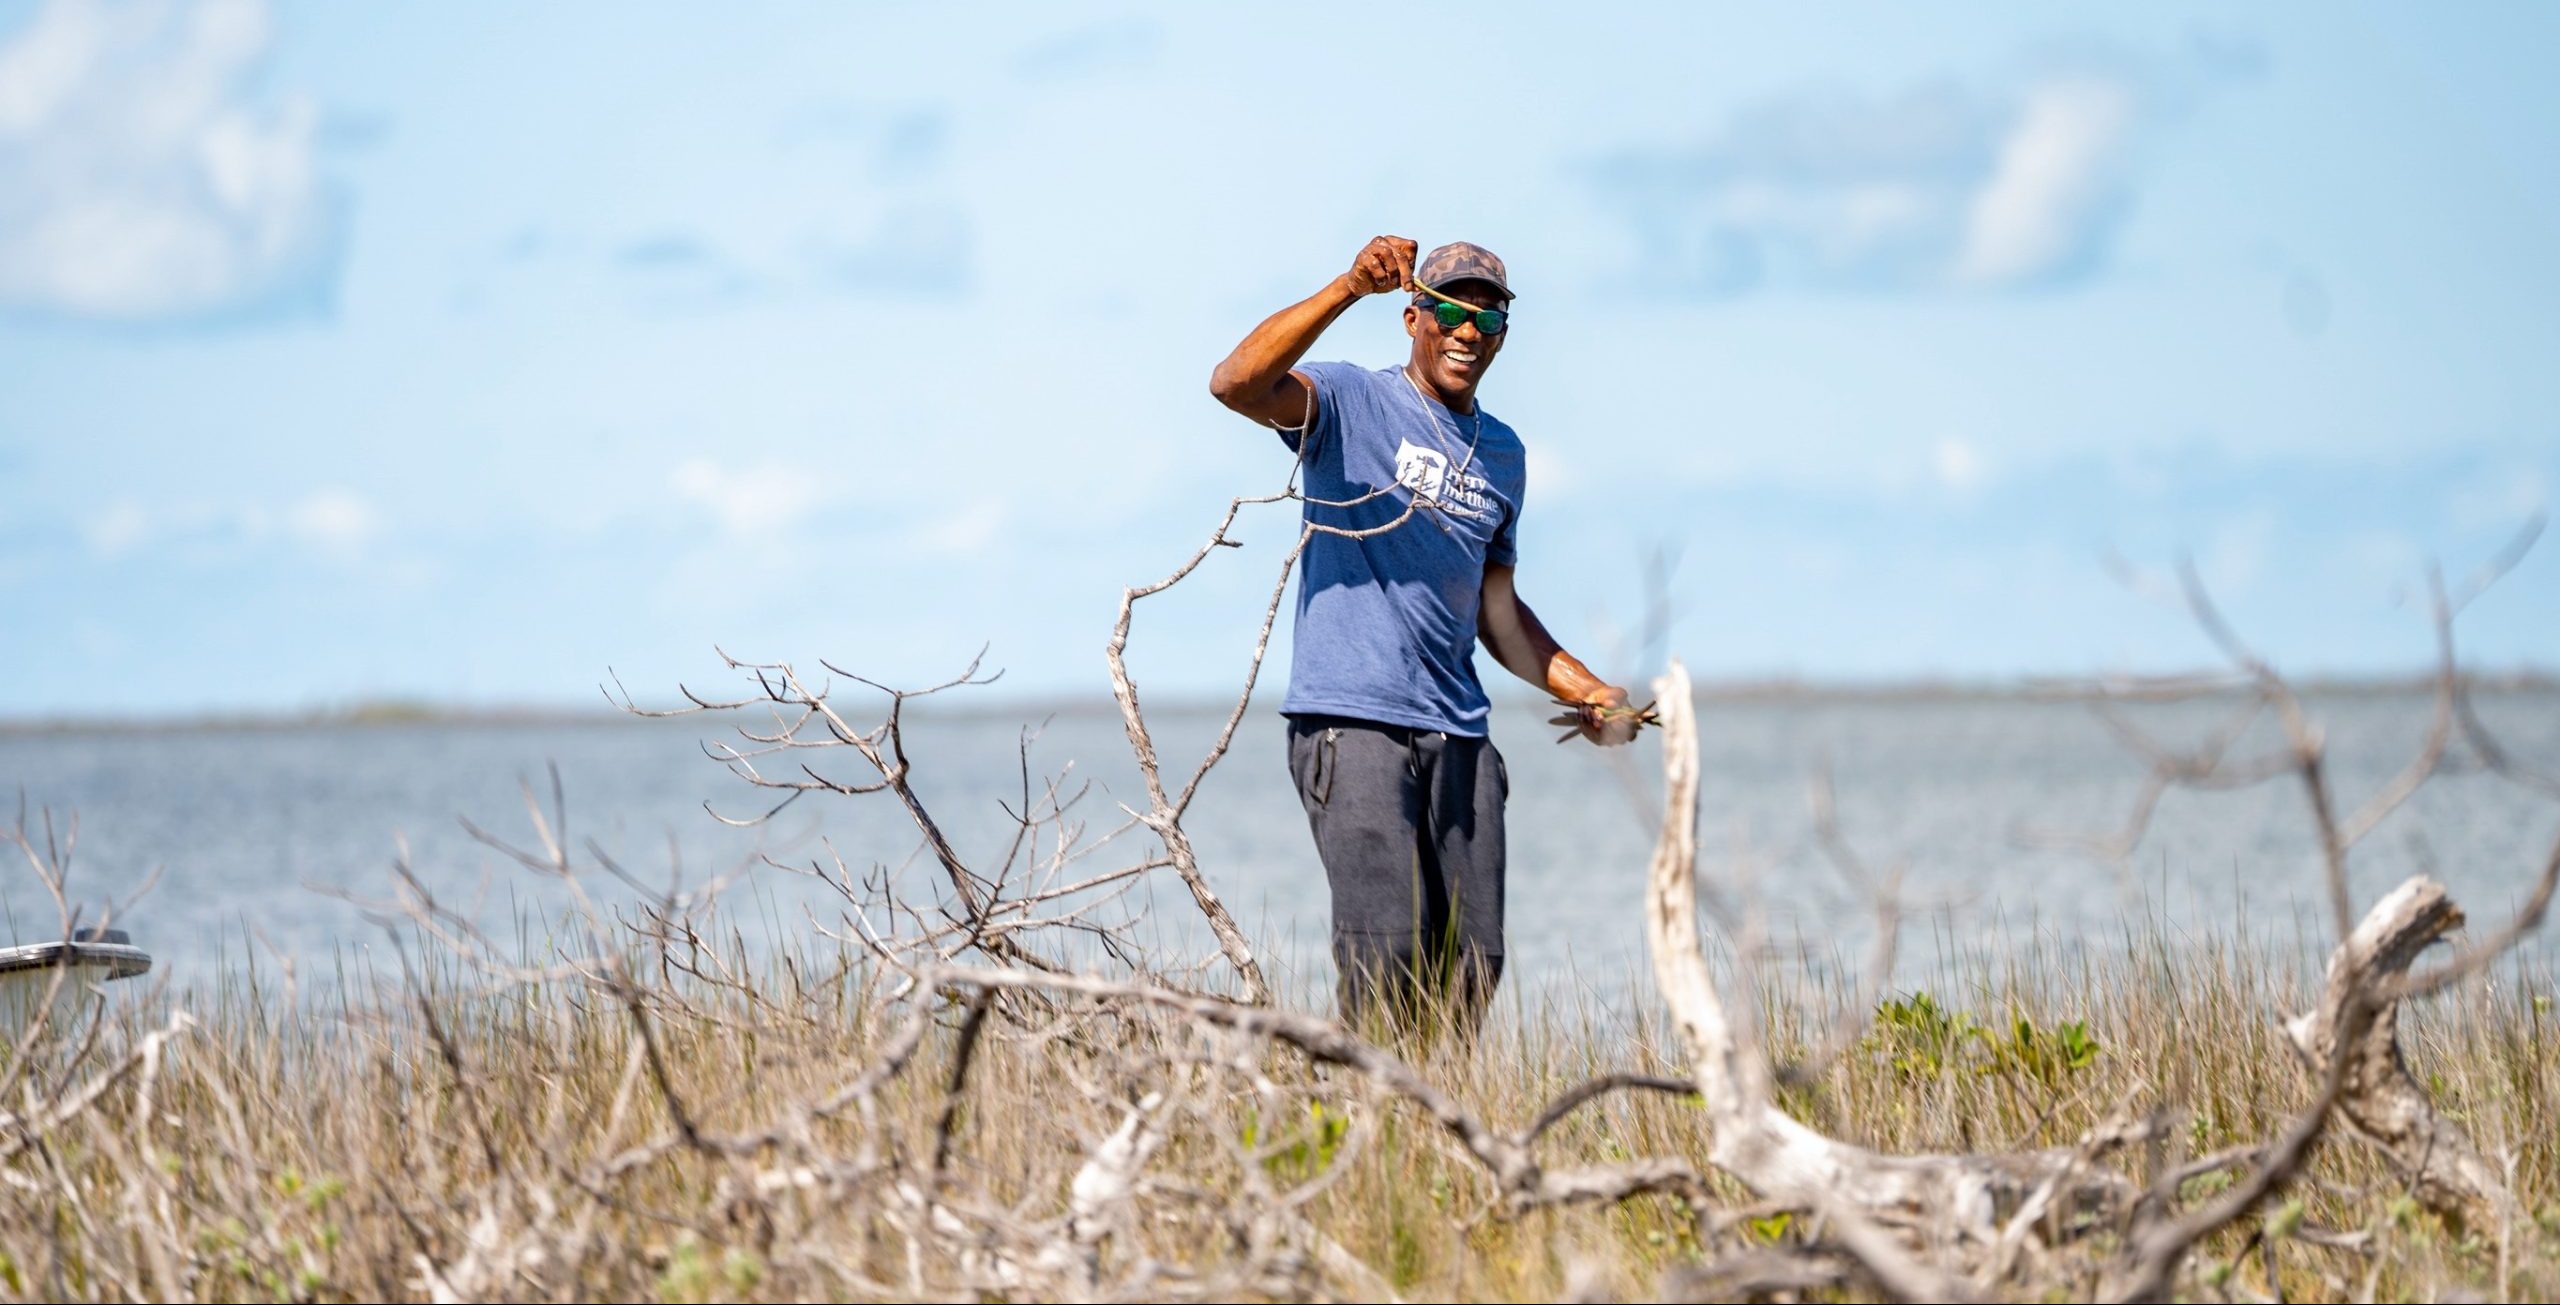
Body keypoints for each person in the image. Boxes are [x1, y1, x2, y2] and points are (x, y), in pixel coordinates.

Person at [1208, 235, 1642, 1034]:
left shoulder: (1504, 455)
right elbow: (1235, 383)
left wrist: (1591, 691)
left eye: (1488, 321)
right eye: (1449, 311)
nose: (1467, 333)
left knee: (1474, 961)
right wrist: (1345, 287)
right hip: (1354, 721)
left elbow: (1496, 610)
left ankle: (1441, 1139)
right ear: (1413, 315)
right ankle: (1369, 1132)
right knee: (1389, 955)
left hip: (1461, 736)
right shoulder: (1350, 403)